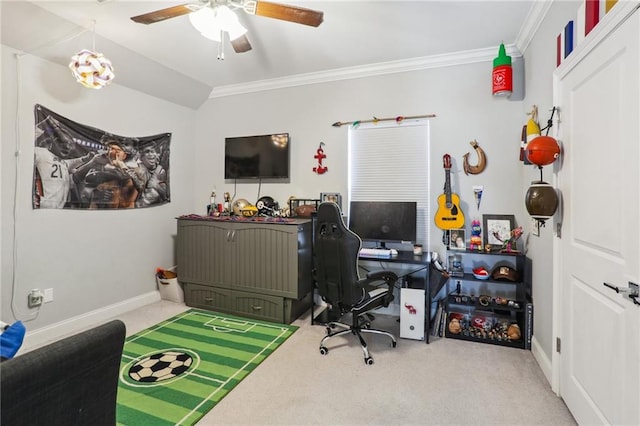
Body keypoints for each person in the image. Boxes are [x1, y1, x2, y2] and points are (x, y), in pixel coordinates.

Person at [33, 116, 91, 208]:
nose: (66, 147)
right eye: (62, 144)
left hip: (58, 210)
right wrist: (43, 124)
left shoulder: (62, 162)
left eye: (69, 145)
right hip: (42, 207)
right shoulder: (41, 153)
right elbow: (26, 143)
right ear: (52, 143)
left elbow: (70, 163)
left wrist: (84, 159)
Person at [71, 138, 145, 209]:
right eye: (111, 149)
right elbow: (76, 178)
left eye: (118, 150)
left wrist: (122, 166)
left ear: (124, 155)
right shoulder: (98, 167)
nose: (114, 152)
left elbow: (140, 187)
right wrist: (92, 162)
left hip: (123, 213)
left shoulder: (134, 170)